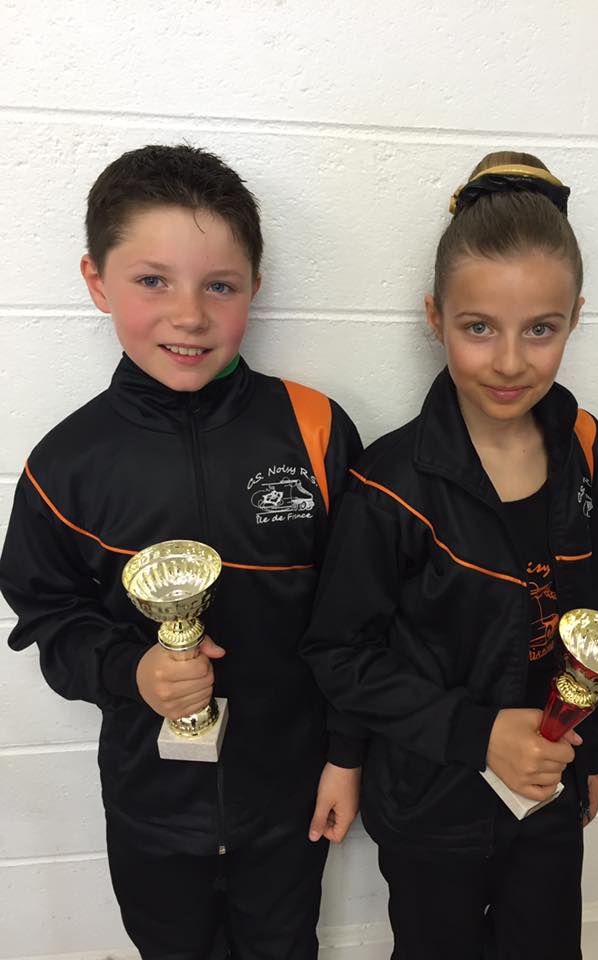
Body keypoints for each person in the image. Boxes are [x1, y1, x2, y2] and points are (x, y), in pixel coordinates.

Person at [0, 144, 364, 960]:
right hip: (151, 813)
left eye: (219, 286)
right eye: (152, 281)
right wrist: (132, 670)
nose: (190, 315)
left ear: (255, 286)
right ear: (97, 281)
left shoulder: (314, 430)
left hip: (289, 799)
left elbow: (357, 617)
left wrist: (346, 756)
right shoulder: (66, 464)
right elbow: (49, 620)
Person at [302, 151, 598, 959]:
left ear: (575, 318)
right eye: (479, 328)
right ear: (435, 317)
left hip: (547, 788)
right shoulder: (390, 483)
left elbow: (595, 616)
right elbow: (341, 652)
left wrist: (592, 748)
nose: (510, 361)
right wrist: (471, 737)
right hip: (431, 802)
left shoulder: (583, 444)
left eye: (540, 329)